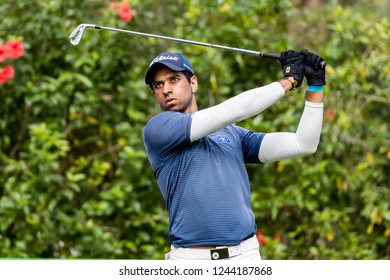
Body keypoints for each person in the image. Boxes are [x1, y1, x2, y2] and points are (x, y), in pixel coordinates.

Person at [142, 49, 326, 260]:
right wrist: (289, 81)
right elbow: (233, 111)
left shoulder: (233, 134)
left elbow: (303, 143)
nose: (166, 89)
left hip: (245, 256)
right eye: (158, 85)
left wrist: (315, 86)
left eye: (173, 79)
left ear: (193, 83)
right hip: (191, 261)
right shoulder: (158, 129)